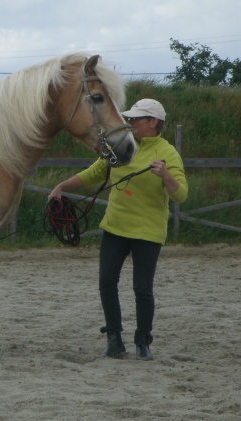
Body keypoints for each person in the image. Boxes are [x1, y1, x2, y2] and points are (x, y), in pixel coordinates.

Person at [48, 99, 188, 360]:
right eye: (130, 118)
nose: (130, 122)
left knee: (142, 288)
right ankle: (114, 339)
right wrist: (62, 187)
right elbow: (94, 172)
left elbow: (181, 195)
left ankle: (143, 341)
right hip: (115, 227)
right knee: (106, 282)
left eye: (136, 119)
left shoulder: (168, 153)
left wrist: (167, 176)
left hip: (147, 232)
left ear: (153, 122)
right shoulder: (122, 147)